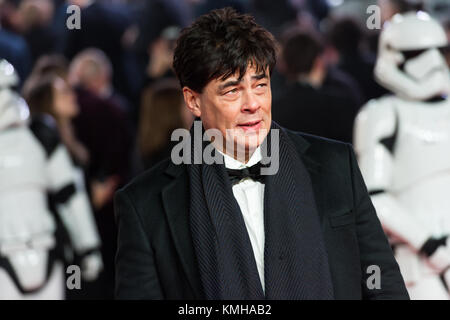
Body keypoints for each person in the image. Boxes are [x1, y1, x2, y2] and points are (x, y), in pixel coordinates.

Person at [114, 7, 408, 300]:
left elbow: (384, 287)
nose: (252, 104)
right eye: (232, 90)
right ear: (193, 101)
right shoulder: (144, 204)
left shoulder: (335, 166)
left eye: (260, 85)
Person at [354, 11, 450, 299]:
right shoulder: (382, 114)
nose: (432, 61)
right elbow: (375, 196)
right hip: (416, 264)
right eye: (419, 52)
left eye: (440, 50)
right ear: (394, 56)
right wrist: (429, 246)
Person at [0, 59, 102, 299]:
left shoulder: (40, 135)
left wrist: (88, 248)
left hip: (46, 250)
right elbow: (71, 198)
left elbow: (70, 196)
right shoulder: (40, 136)